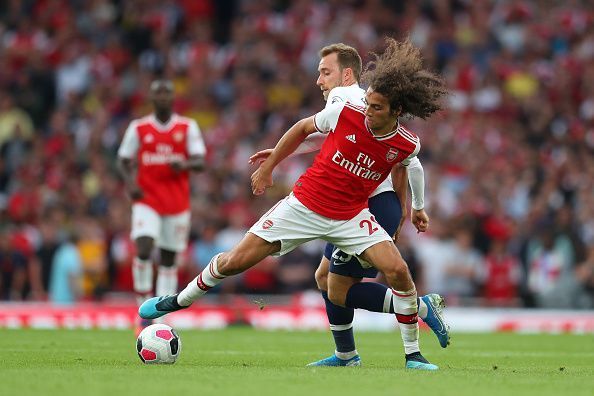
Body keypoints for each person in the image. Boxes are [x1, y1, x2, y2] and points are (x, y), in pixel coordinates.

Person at [140, 38, 448, 370]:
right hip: (305, 206)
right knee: (237, 263)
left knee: (394, 272)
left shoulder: (401, 138)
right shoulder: (348, 111)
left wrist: (415, 207)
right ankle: (177, 301)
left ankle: (412, 355)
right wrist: (272, 164)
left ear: (395, 110)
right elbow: (307, 129)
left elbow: (410, 162)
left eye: (325, 72)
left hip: (354, 214)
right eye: (369, 104)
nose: (368, 111)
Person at [248, 43, 449, 367]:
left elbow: (402, 157)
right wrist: (412, 207)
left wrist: (406, 207)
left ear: (346, 74)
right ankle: (346, 354)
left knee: (338, 289)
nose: (319, 80)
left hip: (367, 206)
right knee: (323, 278)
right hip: (360, 206)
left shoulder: (345, 99)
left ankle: (421, 309)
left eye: (324, 72)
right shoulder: (366, 103)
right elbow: (405, 160)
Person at [117, 79, 206, 335]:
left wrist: (185, 165)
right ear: (152, 98)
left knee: (168, 259)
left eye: (167, 93)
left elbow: (200, 161)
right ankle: (142, 313)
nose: (163, 97)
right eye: (159, 93)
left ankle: (162, 315)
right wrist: (130, 183)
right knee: (143, 247)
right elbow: (123, 159)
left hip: (177, 204)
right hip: (147, 200)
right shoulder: (139, 128)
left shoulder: (187, 127)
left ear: (173, 97)